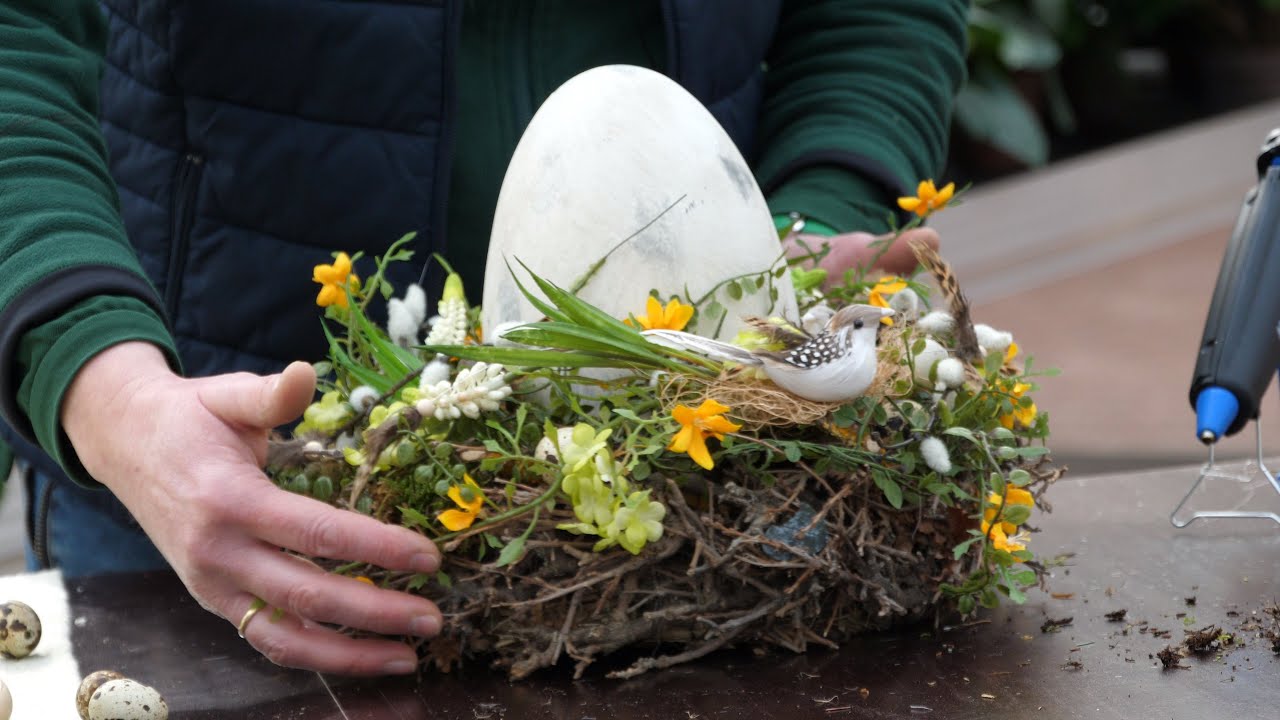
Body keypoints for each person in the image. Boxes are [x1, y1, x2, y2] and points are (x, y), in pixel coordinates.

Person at [0, 0, 967, 675]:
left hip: (721, 456)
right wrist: (91, 363)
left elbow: (871, 12)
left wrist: (804, 225)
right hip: (222, 470)